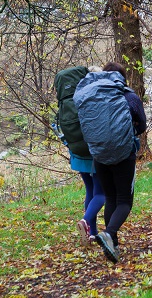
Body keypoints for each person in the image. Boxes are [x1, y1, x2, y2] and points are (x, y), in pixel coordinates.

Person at [89, 62, 146, 263]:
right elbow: (142, 124)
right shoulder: (129, 97)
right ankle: (109, 233)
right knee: (124, 200)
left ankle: (113, 244)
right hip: (123, 155)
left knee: (110, 198)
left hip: (99, 156)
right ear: (122, 78)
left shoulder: (93, 98)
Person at [53, 65, 105, 247]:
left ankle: (93, 234)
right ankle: (85, 221)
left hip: (77, 153)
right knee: (101, 192)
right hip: (93, 153)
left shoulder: (71, 99)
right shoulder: (92, 98)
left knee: (90, 191)